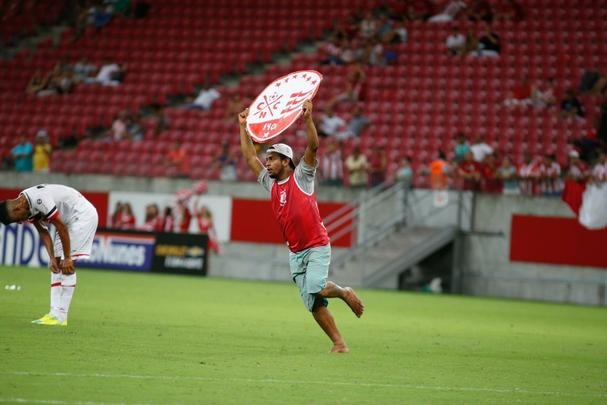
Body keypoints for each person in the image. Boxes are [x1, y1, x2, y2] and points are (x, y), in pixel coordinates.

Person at [238, 100, 364, 353]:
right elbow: (250, 157)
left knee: (316, 286)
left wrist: (308, 119)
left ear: (286, 161)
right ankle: (339, 343)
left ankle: (343, 292)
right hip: (295, 252)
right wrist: (243, 127)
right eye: (268, 159)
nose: (267, 163)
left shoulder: (302, 176)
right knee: (313, 303)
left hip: (316, 244)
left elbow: (314, 146)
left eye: (272, 159)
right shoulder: (270, 184)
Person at [0, 184, 99, 326]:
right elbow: (43, 232)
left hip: (82, 215)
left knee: (67, 265)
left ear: (17, 207)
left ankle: (61, 316)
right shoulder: (26, 205)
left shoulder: (39, 200)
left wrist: (68, 258)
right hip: (66, 221)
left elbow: (60, 227)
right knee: (56, 265)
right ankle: (54, 314)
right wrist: (52, 257)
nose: (21, 222)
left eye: (17, 219)